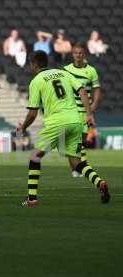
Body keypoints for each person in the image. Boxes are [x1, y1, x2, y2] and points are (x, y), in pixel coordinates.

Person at [17, 51, 110, 206]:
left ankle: (32, 198)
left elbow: (33, 113)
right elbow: (81, 90)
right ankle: (99, 182)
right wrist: (88, 113)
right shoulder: (63, 73)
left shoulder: (36, 81)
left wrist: (23, 127)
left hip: (56, 122)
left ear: (34, 65)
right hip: (75, 121)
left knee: (35, 156)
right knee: (75, 162)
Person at [63, 43, 102, 177]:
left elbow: (97, 90)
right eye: (76, 53)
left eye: (80, 53)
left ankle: (79, 167)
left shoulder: (91, 71)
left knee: (81, 142)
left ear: (84, 54)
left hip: (85, 112)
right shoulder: (66, 70)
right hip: (71, 111)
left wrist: (93, 107)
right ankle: (76, 169)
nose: (78, 55)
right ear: (72, 54)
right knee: (72, 143)